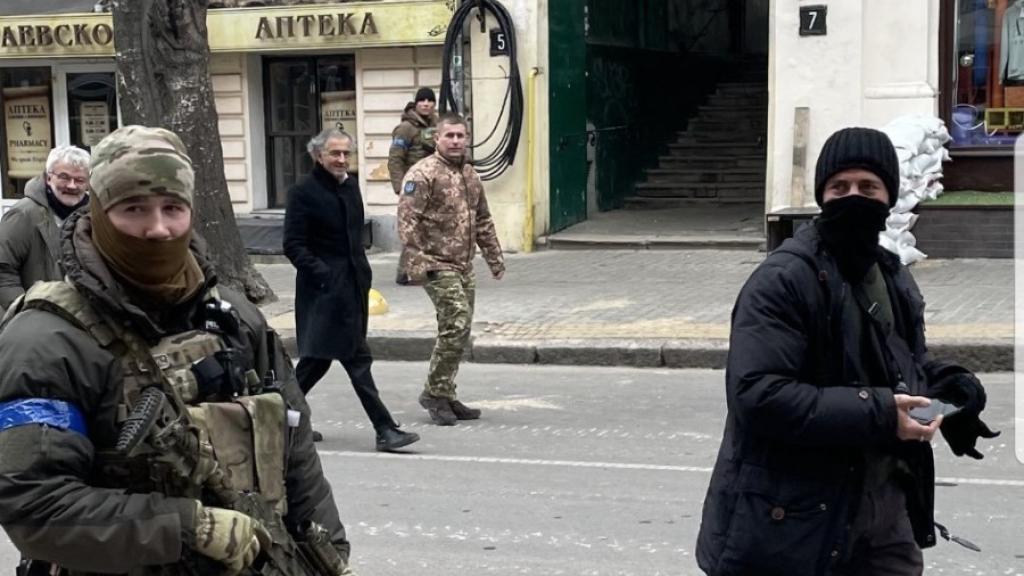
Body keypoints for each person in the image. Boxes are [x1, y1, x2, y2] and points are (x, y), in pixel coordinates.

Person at [0, 126, 354, 575]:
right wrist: (190, 528)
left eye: (173, 208)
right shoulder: (46, 339)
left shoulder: (233, 316)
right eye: (133, 209)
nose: (158, 228)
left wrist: (330, 552)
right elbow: (35, 505)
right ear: (99, 213)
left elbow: (294, 441)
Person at [695, 127, 999, 576]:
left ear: (888, 197)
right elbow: (758, 394)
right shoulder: (782, 280)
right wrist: (879, 413)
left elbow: (901, 368)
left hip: (881, 514)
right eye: (840, 187)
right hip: (792, 522)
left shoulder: (891, 275)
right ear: (822, 195)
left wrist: (952, 393)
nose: (854, 197)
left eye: (868, 187)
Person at [284, 127, 419, 452]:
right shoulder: (303, 191)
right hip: (324, 292)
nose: (342, 159)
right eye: (335, 153)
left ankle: (280, 421)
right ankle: (385, 429)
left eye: (346, 153)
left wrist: (362, 274)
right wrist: (324, 275)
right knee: (356, 359)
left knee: (316, 361)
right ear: (318, 155)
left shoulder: (350, 187)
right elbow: (293, 244)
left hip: (353, 287)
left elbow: (356, 237)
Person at [398, 113, 505, 426]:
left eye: (461, 135)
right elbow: (407, 223)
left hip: (463, 264)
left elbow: (482, 219)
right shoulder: (423, 173)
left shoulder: (470, 175)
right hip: (434, 262)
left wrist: (494, 259)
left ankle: (445, 391)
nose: (456, 141)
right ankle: (434, 392)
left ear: (467, 138)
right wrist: (420, 262)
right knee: (456, 322)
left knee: (461, 329)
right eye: (450, 136)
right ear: (437, 138)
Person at [0, 145, 91, 313]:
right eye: (64, 177)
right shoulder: (24, 215)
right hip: (36, 321)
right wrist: (24, 312)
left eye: (79, 180)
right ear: (48, 177)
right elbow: (3, 271)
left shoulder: (94, 217)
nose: (71, 186)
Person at [388, 87, 438, 285]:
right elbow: (395, 159)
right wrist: (400, 188)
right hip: (413, 186)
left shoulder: (437, 125)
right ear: (416, 104)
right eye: (422, 100)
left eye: (429, 100)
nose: (426, 104)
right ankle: (405, 271)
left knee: (433, 228)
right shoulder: (406, 128)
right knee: (413, 230)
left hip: (434, 185)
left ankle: (430, 268)